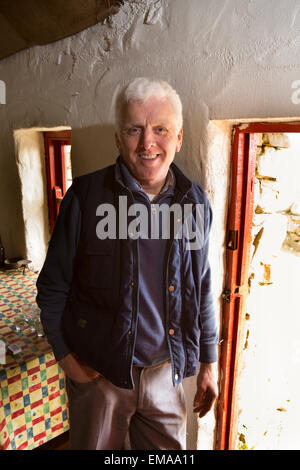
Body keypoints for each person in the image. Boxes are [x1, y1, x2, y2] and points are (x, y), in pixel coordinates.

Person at [36, 77, 219, 450]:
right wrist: (68, 360)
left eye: (160, 129)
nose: (148, 143)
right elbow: (53, 287)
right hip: (99, 374)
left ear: (179, 137)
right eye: (134, 130)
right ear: (119, 140)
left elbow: (201, 285)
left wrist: (209, 362)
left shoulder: (194, 202)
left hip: (165, 374)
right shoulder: (86, 198)